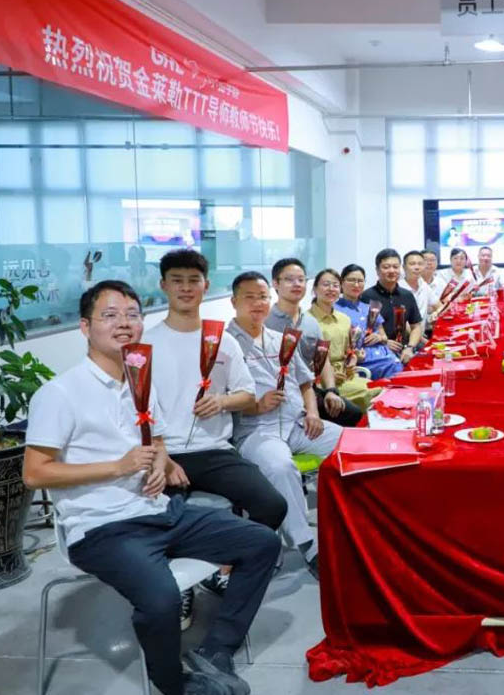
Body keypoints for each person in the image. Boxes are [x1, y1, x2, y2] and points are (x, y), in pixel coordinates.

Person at [24, 280, 279, 695]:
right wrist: (117, 467)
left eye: (132, 315)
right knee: (161, 599)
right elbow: (35, 474)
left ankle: (216, 651)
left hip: (158, 511)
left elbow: (156, 442)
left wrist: (160, 464)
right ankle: (173, 684)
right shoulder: (59, 393)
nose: (124, 323)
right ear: (85, 327)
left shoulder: (140, 381)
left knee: (262, 542)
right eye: (110, 315)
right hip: (100, 528)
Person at [143, 249, 286, 610]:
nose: (186, 288)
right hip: (165, 452)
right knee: (162, 520)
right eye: (177, 280)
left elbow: (247, 394)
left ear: (205, 286)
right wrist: (161, 457)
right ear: (163, 285)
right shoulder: (145, 343)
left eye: (193, 280)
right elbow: (136, 408)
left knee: (272, 505)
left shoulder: (220, 339)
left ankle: (224, 569)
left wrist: (221, 401)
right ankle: (180, 584)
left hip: (214, 451)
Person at [228, 272, 344, 580]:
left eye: (263, 297)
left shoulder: (281, 338)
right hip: (256, 431)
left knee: (351, 445)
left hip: (297, 424)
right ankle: (307, 545)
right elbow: (216, 400)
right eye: (250, 297)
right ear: (234, 302)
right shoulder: (225, 346)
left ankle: (353, 524)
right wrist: (255, 405)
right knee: (281, 467)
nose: (258, 303)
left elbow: (305, 382)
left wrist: (313, 412)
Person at [266, 258, 362, 427]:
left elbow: (323, 359)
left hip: (308, 389)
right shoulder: (265, 320)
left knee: (353, 414)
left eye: (301, 279)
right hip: (276, 392)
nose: (296, 284)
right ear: (275, 283)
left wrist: (331, 391)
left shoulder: (310, 322)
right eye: (289, 279)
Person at [309, 268, 382, 410]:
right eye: (326, 284)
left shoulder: (344, 319)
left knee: (381, 388)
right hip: (321, 382)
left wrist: (353, 359)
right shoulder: (307, 320)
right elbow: (305, 362)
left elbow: (350, 351)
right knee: (372, 394)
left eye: (335, 285)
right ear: (315, 289)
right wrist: (329, 376)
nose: (331, 289)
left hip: (347, 376)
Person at [336, 264, 403, 379]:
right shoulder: (335, 309)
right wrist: (353, 355)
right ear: (342, 282)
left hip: (384, 354)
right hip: (362, 359)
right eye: (351, 280)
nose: (356, 285)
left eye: (360, 281)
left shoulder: (370, 308)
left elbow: (384, 336)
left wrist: (379, 338)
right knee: (394, 367)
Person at [361, 248, 423, 365]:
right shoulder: (367, 296)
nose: (391, 270)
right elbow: (364, 331)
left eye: (395, 267)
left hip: (405, 350)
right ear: (377, 270)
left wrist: (410, 348)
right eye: (386, 267)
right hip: (379, 351)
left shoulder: (407, 295)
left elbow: (416, 326)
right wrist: (384, 342)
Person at [400, 250, 437, 329]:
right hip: (405, 336)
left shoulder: (423, 285)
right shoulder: (399, 288)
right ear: (404, 267)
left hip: (421, 333)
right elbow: (402, 323)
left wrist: (435, 313)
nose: (417, 267)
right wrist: (419, 336)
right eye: (412, 264)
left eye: (420, 264)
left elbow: (440, 306)